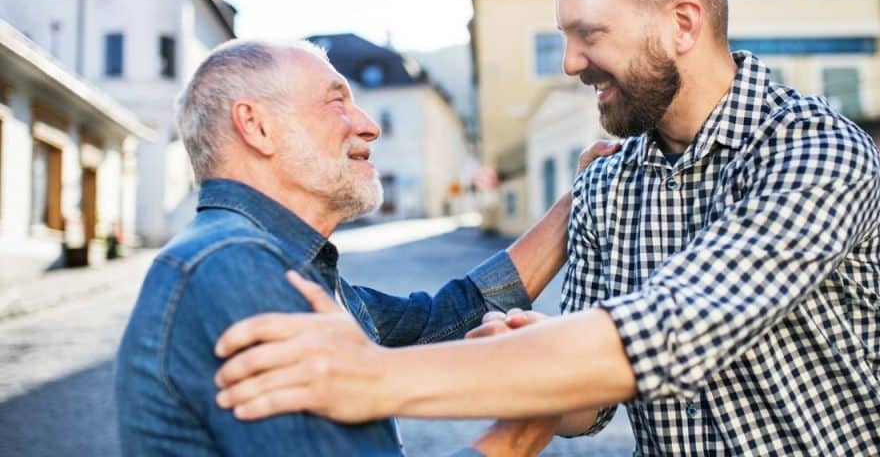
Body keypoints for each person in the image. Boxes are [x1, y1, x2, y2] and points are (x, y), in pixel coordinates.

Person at [212, 0, 880, 456]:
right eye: (564, 38)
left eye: (590, 34)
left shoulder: (815, 151)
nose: (571, 64)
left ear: (682, 24)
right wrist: (529, 346)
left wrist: (371, 379)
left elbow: (677, 326)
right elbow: (590, 409)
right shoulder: (608, 188)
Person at [114, 38, 614, 456]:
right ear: (256, 126)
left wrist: (578, 202)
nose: (369, 125)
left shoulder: (292, 269)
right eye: (337, 101)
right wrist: (530, 418)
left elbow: (452, 314)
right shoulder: (233, 268)